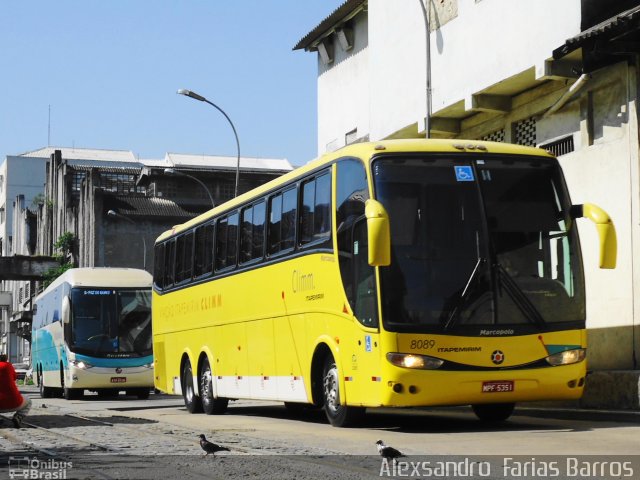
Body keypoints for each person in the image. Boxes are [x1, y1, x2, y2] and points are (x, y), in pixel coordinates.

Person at [0, 353, 31, 428]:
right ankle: (18, 417)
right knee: (28, 402)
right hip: (14, 403)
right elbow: (14, 377)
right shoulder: (8, 365)